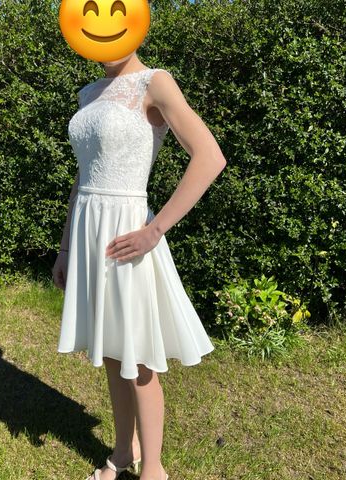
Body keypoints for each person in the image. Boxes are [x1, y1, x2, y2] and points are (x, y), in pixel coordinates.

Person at [52, 49, 227, 480]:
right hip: (90, 232)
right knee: (113, 351)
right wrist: (66, 247)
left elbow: (210, 156)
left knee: (140, 358)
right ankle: (122, 452)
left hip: (129, 234)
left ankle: (154, 469)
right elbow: (83, 175)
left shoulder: (155, 82)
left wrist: (155, 230)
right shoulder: (89, 92)